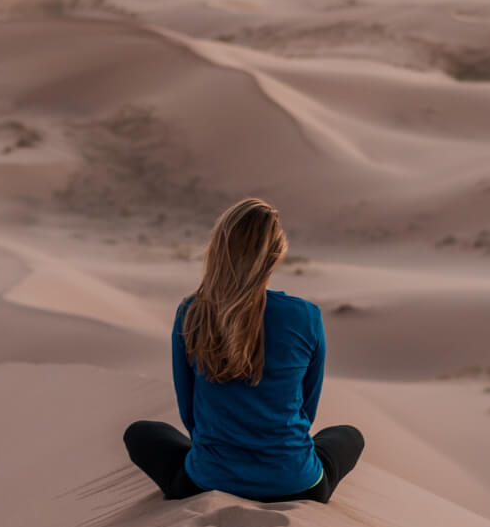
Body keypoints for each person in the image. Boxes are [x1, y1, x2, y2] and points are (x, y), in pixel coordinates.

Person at [123, 197, 364, 503]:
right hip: (296, 483)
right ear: (276, 255)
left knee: (142, 433)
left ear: (218, 250)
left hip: (206, 481)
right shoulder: (306, 316)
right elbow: (307, 409)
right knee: (348, 435)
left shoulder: (192, 312)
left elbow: (189, 412)